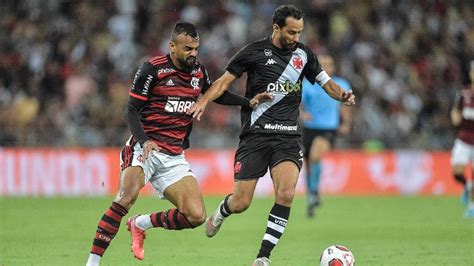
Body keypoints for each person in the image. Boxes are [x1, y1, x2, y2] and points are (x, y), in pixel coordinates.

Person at [85, 22, 270, 266]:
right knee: (126, 197)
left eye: (196, 48)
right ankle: (93, 262)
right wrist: (144, 140)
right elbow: (132, 110)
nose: (193, 53)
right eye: (188, 49)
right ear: (172, 46)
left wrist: (249, 103)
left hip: (173, 155)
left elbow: (216, 94)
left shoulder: (198, 72)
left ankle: (140, 223)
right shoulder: (153, 69)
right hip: (145, 148)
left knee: (195, 216)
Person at [187, 5, 356, 266]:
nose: (296, 37)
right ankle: (222, 212)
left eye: (299, 32)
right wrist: (204, 101)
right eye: (291, 32)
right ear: (276, 28)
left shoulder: (304, 55)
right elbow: (222, 82)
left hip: (287, 136)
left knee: (286, 194)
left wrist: (342, 96)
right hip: (255, 136)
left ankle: (263, 257)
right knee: (241, 202)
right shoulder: (253, 52)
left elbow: (327, 83)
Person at [300, 54, 352, 217]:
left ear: (333, 67)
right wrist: (302, 114)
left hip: (328, 128)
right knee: (307, 162)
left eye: (328, 64)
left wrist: (345, 123)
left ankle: (314, 191)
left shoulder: (341, 84)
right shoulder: (307, 85)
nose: (325, 67)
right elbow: (296, 103)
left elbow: (345, 105)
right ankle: (311, 195)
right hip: (309, 128)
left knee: (316, 156)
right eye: (322, 64)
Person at [450, 60, 474, 219]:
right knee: (457, 172)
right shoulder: (464, 93)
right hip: (463, 139)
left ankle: (472, 206)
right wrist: (455, 116)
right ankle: (466, 186)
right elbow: (456, 110)